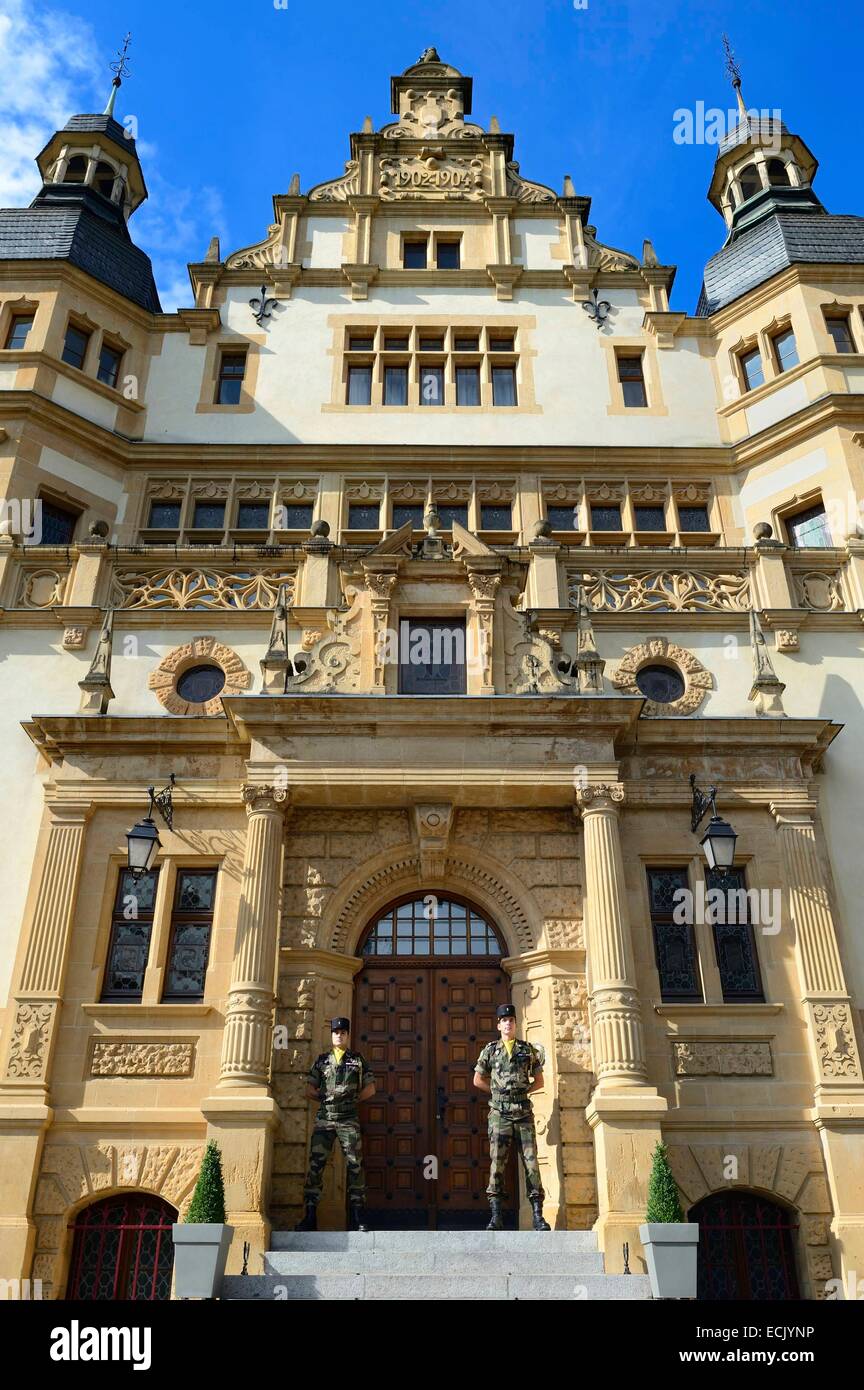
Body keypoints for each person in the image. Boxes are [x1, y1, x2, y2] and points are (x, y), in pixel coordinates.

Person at [473, 1003, 551, 1231]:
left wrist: (521, 1092)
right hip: (499, 1115)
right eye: (504, 1020)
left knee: (531, 1164)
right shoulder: (490, 1050)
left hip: (523, 1114)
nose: (508, 1023)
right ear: (498, 1025)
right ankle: (496, 1216)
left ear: (515, 1024)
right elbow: (477, 1080)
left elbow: (540, 1081)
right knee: (497, 1163)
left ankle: (538, 1216)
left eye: (511, 1020)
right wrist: (497, 1093)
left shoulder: (528, 1051)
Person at [295, 1017, 376, 1232]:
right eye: (336, 1032)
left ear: (348, 1035)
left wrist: (351, 1100)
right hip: (326, 1120)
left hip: (349, 1120)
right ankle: (310, 1215)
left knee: (355, 1165)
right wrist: (326, 1097)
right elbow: (309, 1089)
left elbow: (370, 1088)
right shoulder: (321, 1061)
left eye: (343, 1032)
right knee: (316, 1166)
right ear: (331, 1035)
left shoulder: (357, 1060)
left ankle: (358, 1216)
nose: (339, 1035)